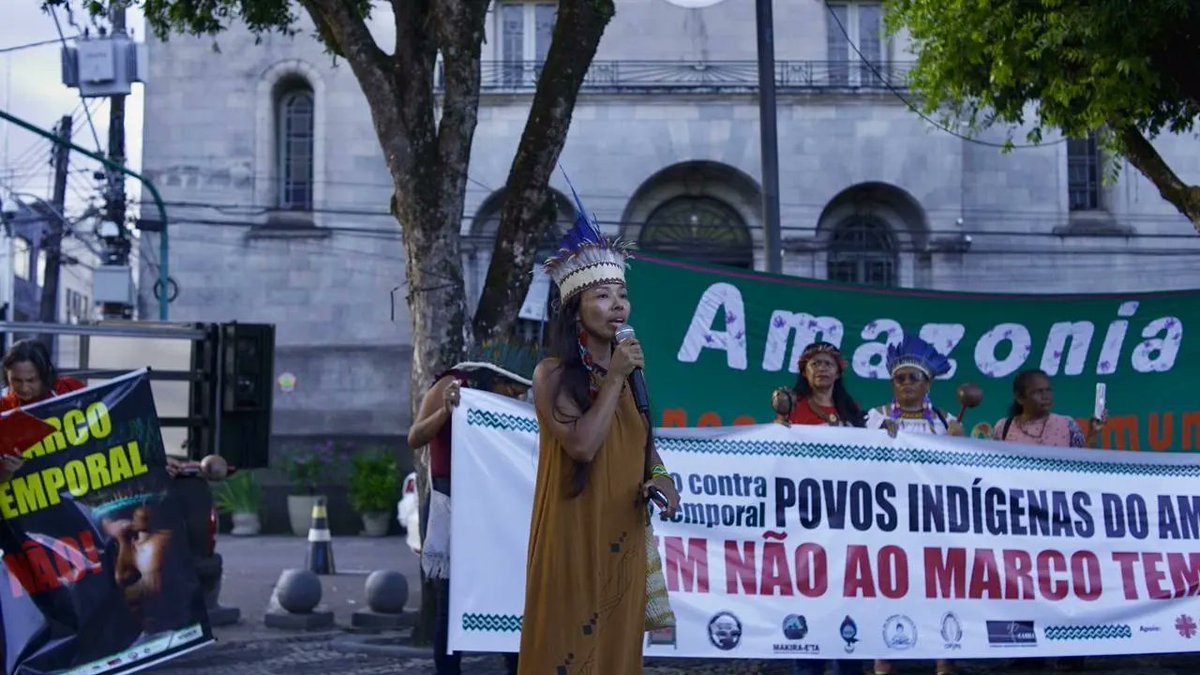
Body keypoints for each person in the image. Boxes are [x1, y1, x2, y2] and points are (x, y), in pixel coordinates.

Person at [518, 188, 680, 674]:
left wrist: (663, 479)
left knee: (617, 655)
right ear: (575, 309)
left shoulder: (631, 375)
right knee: (571, 652)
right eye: (603, 295)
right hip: (574, 537)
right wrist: (613, 377)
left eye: (623, 294)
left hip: (623, 535)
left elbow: (644, 445)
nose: (618, 306)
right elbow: (584, 445)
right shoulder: (552, 374)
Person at [407, 339, 539, 675]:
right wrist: (446, 411)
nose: (519, 397)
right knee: (450, 602)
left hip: (496, 506)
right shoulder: (451, 386)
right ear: (493, 380)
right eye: (514, 389)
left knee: (512, 593)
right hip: (451, 503)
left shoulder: (514, 405)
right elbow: (415, 436)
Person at [992, 368, 1106, 672]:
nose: (1046, 396)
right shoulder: (1002, 430)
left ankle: (1071, 651)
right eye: (1038, 392)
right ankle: (1028, 651)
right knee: (1022, 583)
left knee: (1065, 583)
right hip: (1019, 522)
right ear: (1020, 397)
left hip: (1061, 519)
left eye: (1049, 390)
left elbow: (1086, 466)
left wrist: (1093, 437)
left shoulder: (1067, 425)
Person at [866, 334, 963, 675]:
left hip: (935, 517)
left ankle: (944, 656)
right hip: (890, 517)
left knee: (939, 583)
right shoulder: (875, 417)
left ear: (928, 383)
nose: (906, 383)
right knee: (887, 584)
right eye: (899, 378)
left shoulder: (947, 420)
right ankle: (883, 657)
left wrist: (959, 444)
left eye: (913, 378)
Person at [771, 341, 865, 675]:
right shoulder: (792, 408)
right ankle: (809, 662)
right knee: (809, 589)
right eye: (815, 364)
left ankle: (849, 659)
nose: (822, 369)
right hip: (808, 518)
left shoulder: (852, 410)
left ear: (839, 371)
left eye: (828, 363)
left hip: (849, 519)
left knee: (848, 590)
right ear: (804, 372)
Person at [1, 339, 85, 412]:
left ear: (45, 375)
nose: (24, 388)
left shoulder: (71, 389)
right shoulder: (4, 409)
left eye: (31, 380)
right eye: (16, 380)